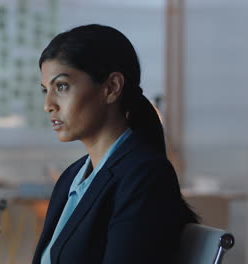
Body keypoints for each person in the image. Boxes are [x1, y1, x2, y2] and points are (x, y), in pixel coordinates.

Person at [33, 24, 198, 264]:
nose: (48, 104)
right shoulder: (71, 178)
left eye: (62, 86)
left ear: (111, 88)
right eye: (45, 90)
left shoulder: (145, 177)